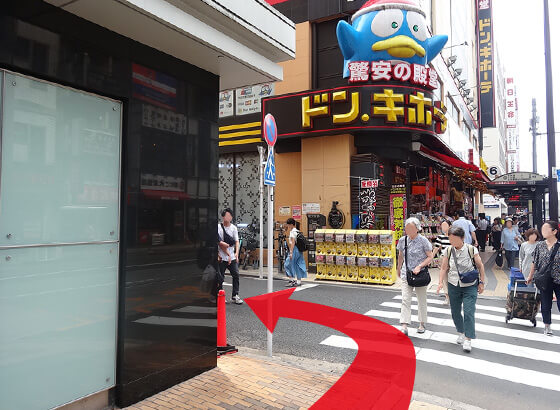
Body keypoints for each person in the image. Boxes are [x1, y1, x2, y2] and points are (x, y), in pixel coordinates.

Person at [437, 226, 486, 353]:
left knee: (469, 311)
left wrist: (482, 282)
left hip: (470, 285)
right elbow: (443, 268)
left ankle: (468, 338)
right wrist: (440, 283)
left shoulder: (471, 249)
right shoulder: (448, 250)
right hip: (453, 285)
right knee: (455, 312)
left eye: (454, 239)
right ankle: (461, 331)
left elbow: (480, 266)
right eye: (450, 239)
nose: (452, 242)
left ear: (462, 238)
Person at [396, 217, 433, 335]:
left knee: (421, 299)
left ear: (417, 229)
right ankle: (404, 325)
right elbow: (400, 255)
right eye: (407, 228)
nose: (409, 231)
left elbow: (430, 256)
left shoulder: (423, 241)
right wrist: (398, 267)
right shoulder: (403, 240)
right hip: (406, 273)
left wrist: (420, 266)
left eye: (411, 228)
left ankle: (422, 323)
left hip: (420, 274)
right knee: (405, 299)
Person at [527, 221, 560, 336]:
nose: (543, 231)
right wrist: (530, 276)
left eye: (546, 229)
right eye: (542, 229)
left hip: (558, 279)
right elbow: (534, 262)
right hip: (544, 279)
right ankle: (547, 326)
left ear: (554, 231)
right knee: (546, 304)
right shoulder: (540, 246)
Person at [217, 208, 244, 304]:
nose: (229, 218)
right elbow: (217, 242)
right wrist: (218, 254)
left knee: (236, 274)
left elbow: (237, 241)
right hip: (221, 256)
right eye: (227, 215)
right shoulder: (218, 227)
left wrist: (236, 253)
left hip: (232, 256)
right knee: (220, 277)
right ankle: (220, 294)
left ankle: (235, 295)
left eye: (230, 216)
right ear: (223, 217)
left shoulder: (233, 228)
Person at [284, 218, 307, 287]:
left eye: (288, 225)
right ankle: (299, 281)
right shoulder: (297, 231)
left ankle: (292, 280)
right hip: (299, 250)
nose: (288, 226)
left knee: (287, 264)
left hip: (294, 250)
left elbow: (293, 243)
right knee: (298, 264)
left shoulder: (292, 232)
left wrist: (291, 253)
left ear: (291, 224)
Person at [433, 220, 451, 305]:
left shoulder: (454, 236)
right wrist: (431, 257)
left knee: (454, 278)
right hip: (443, 258)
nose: (443, 228)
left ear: (450, 226)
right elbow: (436, 248)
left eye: (445, 226)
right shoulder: (440, 237)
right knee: (444, 278)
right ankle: (447, 296)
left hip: (453, 259)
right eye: (442, 226)